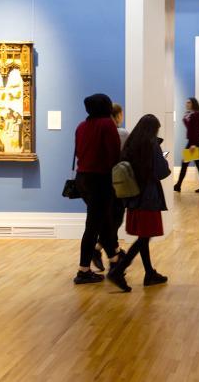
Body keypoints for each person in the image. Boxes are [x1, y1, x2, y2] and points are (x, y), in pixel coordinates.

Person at [107, 114, 171, 292]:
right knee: (145, 236)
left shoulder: (131, 143)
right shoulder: (152, 145)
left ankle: (149, 273)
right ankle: (119, 271)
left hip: (133, 196)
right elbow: (162, 171)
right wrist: (162, 158)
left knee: (144, 235)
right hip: (148, 196)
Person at [73, 94, 123, 285]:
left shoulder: (81, 126)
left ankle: (115, 260)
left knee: (103, 222)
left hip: (83, 178)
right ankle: (83, 270)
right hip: (101, 179)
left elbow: (78, 152)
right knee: (95, 225)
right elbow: (113, 153)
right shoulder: (106, 124)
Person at [90, 102, 129, 271]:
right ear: (118, 115)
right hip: (117, 181)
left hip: (98, 180)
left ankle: (107, 250)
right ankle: (110, 252)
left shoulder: (94, 130)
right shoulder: (122, 133)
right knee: (116, 217)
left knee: (109, 219)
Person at [174, 97, 199, 193]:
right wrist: (185, 118)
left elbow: (198, 129)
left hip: (195, 142)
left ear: (193, 103)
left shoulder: (196, 114)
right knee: (194, 164)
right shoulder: (190, 114)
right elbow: (190, 128)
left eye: (189, 102)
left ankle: (178, 185)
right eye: (186, 102)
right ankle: (178, 185)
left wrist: (194, 144)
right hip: (193, 141)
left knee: (189, 163)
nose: (187, 104)